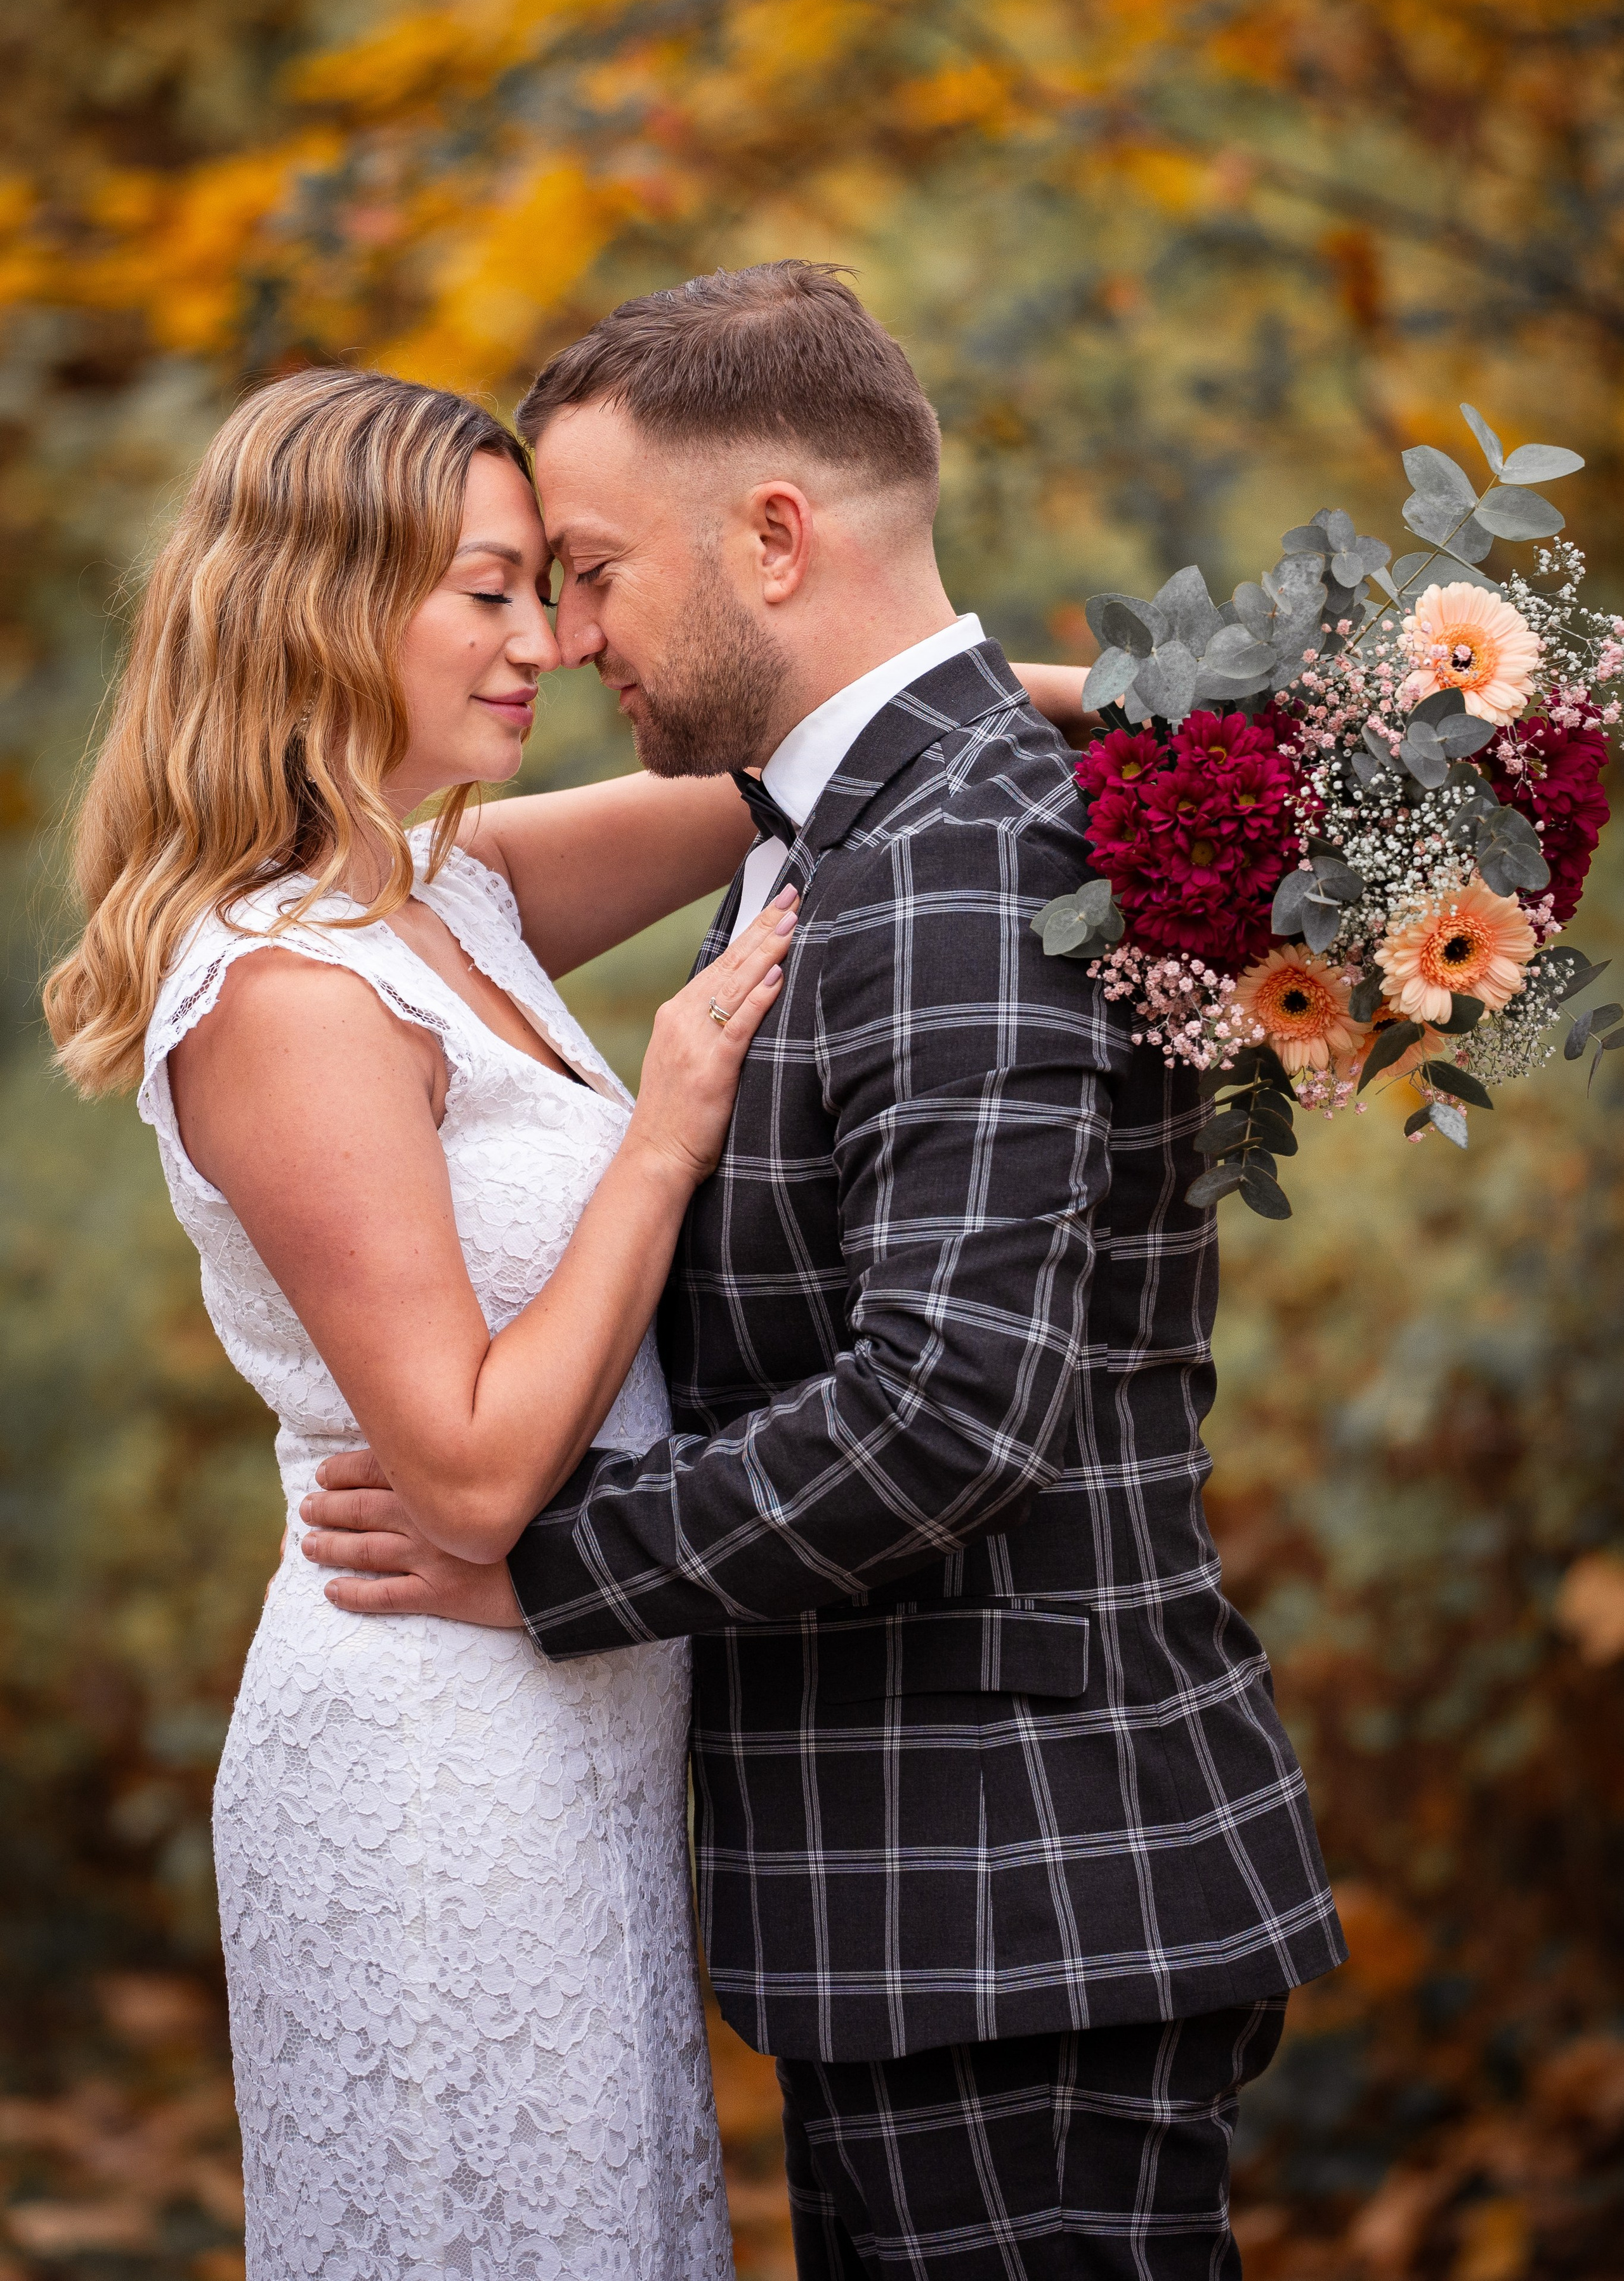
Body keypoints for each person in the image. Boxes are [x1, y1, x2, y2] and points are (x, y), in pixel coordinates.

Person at [301, 264, 1347, 2280]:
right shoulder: (852, 826)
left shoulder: (962, 858)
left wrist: (534, 1566)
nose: (569, 632)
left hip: (1026, 1901)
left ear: (773, 538)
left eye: (594, 569)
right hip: (919, 1908)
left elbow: (948, 1405)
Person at [43, 355, 1091, 2278]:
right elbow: (466, 1466)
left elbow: (851, 737)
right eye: (490, 590)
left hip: (589, 1728)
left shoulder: (459, 895)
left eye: (554, 584)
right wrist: (666, 1129)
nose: (550, 639)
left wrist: (1196, 734)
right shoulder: (283, 990)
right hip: (433, 1750)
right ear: (323, 597)